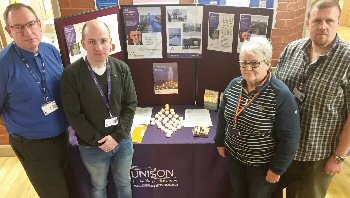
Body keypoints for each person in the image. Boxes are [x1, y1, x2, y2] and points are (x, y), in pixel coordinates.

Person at [275, 0, 350, 197]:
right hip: (284, 147)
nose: (323, 26)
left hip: (319, 156)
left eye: (329, 21)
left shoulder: (347, 59)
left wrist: (339, 156)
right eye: (317, 20)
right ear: (308, 22)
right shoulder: (292, 49)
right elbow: (275, 92)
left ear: (337, 22)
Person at [215, 37, 301, 198]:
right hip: (234, 157)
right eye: (243, 63)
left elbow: (290, 137)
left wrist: (277, 169)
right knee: (239, 193)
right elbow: (222, 113)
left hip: (261, 166)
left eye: (254, 63)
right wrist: (220, 141)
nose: (248, 68)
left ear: (268, 63)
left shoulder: (280, 95)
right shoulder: (234, 85)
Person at [60, 19, 137, 198]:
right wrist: (100, 141)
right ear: (83, 44)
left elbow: (130, 104)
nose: (99, 47)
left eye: (103, 41)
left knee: (124, 184)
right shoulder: (71, 75)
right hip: (92, 147)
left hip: (122, 142)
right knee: (99, 186)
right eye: (92, 41)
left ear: (111, 43)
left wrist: (117, 137)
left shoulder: (122, 68)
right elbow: (74, 115)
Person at [0, 3, 70, 198]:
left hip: (63, 137)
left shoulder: (51, 51)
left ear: (39, 24)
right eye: (19, 27)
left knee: (71, 186)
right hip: (34, 146)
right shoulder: (3, 65)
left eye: (31, 24)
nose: (27, 31)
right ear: (9, 31)